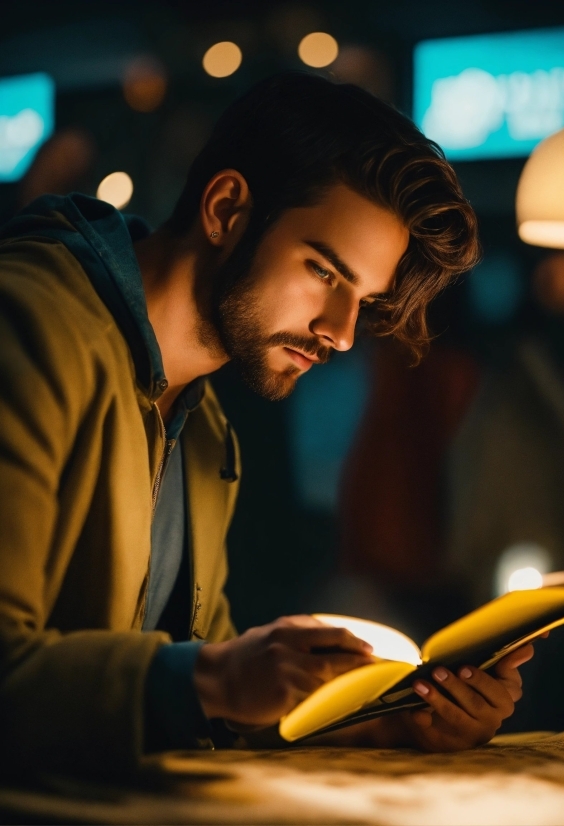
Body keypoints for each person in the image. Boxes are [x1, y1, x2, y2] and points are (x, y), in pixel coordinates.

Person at [0, 72, 535, 779]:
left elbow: (205, 714)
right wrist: (216, 678)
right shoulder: (30, 327)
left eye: (363, 298)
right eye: (323, 271)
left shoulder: (205, 426)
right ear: (226, 208)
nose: (343, 333)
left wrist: (405, 717)